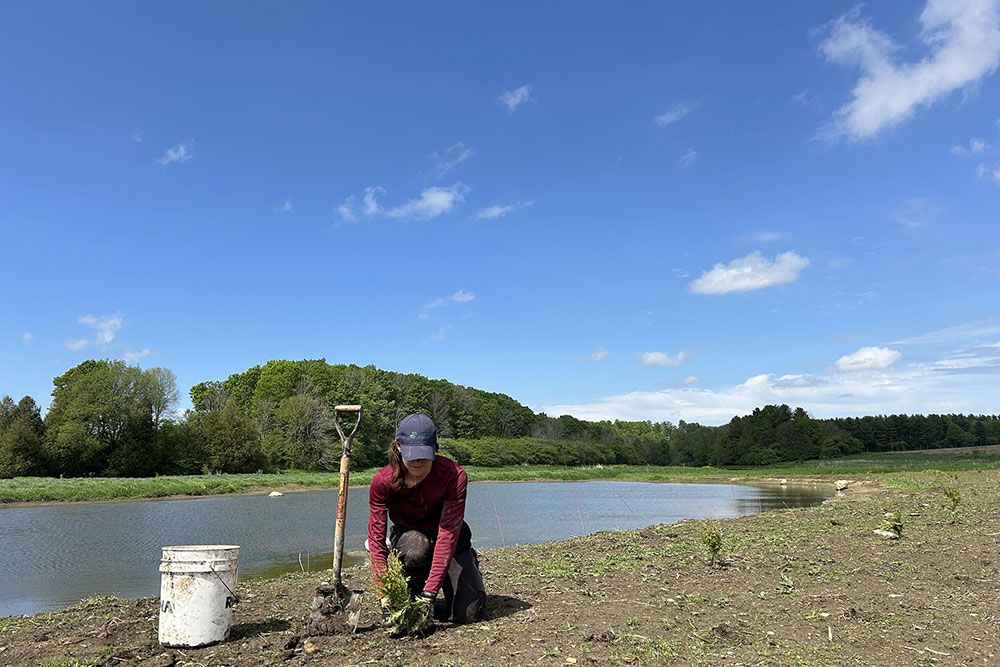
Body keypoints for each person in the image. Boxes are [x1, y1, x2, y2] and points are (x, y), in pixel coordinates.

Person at [367, 412, 486, 625]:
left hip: (452, 541)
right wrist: (383, 592)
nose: (418, 461)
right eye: (411, 453)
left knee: (468, 614)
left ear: (435, 449)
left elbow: (448, 534)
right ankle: (418, 578)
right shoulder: (383, 481)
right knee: (415, 549)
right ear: (398, 447)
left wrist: (430, 594)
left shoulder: (454, 476)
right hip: (410, 540)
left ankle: (465, 565)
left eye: (424, 453)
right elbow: (376, 540)